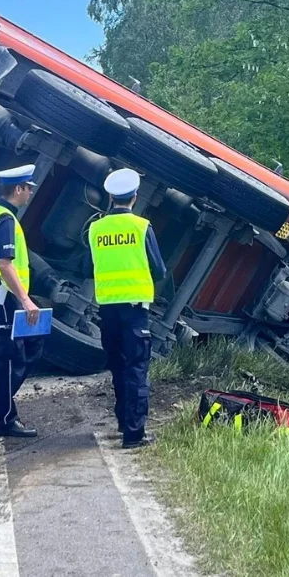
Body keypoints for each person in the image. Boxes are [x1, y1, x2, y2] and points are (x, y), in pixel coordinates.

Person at [87, 168, 167, 449]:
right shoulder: (142, 227)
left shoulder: (95, 229)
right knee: (137, 370)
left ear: (110, 196)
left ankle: (123, 420)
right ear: (134, 197)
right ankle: (134, 433)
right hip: (135, 310)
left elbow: (88, 267)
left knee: (118, 367)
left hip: (107, 309)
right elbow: (159, 270)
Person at [0, 164, 43, 438]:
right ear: (18, 189)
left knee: (33, 343)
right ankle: (4, 419)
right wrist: (26, 300)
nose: (29, 193)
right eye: (28, 188)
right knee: (11, 356)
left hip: (4, 294)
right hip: (2, 296)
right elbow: (4, 264)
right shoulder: (4, 220)